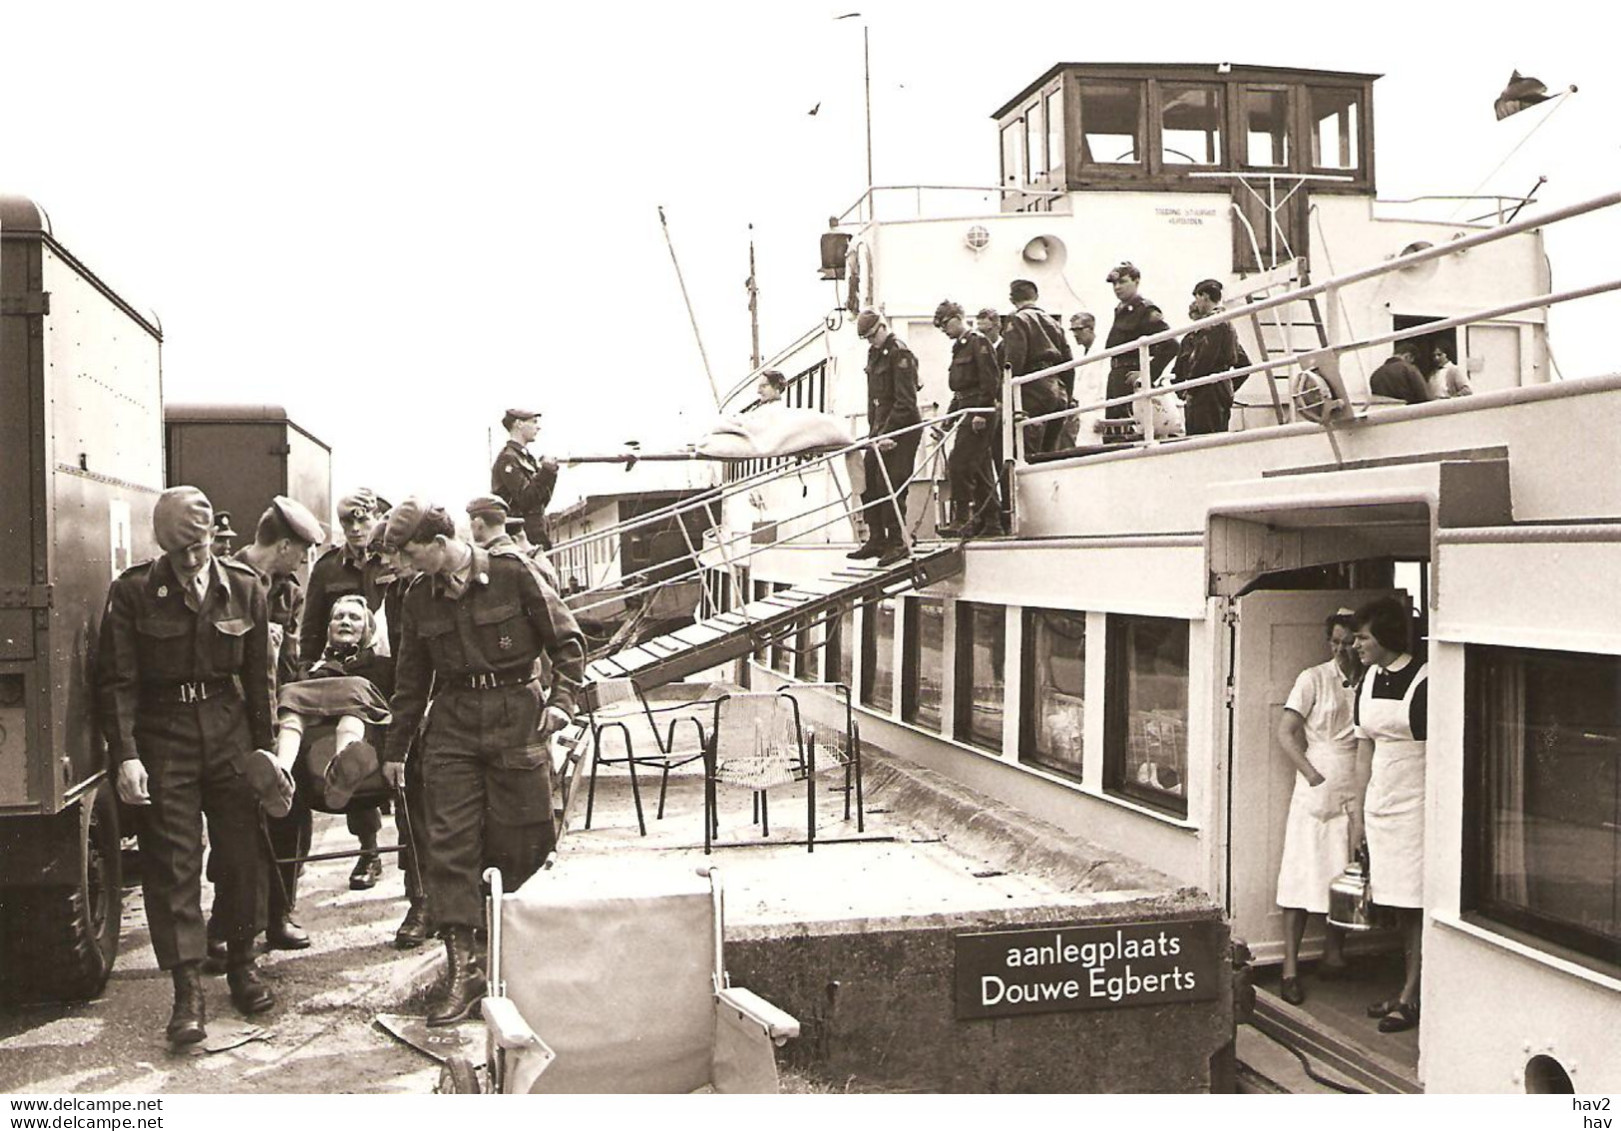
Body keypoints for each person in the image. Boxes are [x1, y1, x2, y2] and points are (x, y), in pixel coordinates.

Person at [380, 499, 586, 1025]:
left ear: (436, 541)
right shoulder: (417, 598)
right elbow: (409, 681)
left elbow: (567, 642)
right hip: (451, 722)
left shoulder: (514, 574)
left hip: (516, 714)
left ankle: (501, 941)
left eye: (407, 555)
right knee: (448, 842)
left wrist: (562, 702)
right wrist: (397, 749)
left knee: (529, 835)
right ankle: (465, 969)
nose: (402, 567)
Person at [96, 487, 277, 1044]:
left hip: (229, 734)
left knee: (242, 854)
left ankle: (244, 962)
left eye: (199, 548)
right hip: (164, 735)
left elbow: (259, 685)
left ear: (214, 540)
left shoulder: (245, 588)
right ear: (163, 549)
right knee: (173, 863)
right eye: (181, 553)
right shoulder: (132, 594)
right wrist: (126, 756)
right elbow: (117, 681)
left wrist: (266, 758)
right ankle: (187, 990)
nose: (193, 561)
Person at [207, 496, 324, 961]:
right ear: (283, 546)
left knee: (291, 810)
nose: (303, 561)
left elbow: (290, 664)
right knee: (235, 828)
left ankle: (278, 915)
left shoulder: (286, 591)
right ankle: (223, 923)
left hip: (278, 716)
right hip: (232, 725)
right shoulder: (222, 584)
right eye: (301, 551)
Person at [1273, 609, 1363, 1005]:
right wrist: (1311, 774)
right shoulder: (1312, 679)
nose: (1342, 650)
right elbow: (1286, 732)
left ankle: (1334, 953)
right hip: (1318, 782)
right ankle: (1290, 967)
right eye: (1336, 642)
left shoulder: (1370, 680)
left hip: (1355, 780)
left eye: (1349, 643)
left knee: (1343, 868)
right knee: (1303, 871)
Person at [303, 488, 389, 891]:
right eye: (348, 522)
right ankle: (369, 852)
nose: (356, 529)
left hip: (391, 674)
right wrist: (308, 671)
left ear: (375, 517)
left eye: (363, 519)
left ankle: (416, 876)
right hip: (345, 676)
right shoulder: (327, 569)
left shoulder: (391, 559)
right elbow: (312, 625)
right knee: (349, 759)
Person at [1350, 597, 1428, 1034]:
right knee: (1397, 905)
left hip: (1417, 805)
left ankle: (1410, 997)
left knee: (1415, 905)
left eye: (1362, 637)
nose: (1356, 645)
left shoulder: (1426, 678)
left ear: (1385, 637)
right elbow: (1364, 749)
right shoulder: (1368, 680)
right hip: (1381, 804)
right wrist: (1359, 814)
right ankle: (1407, 989)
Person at [848, 309, 922, 568]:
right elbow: (874, 400)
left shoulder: (900, 354)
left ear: (882, 327)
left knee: (889, 483)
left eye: (871, 336)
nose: (870, 342)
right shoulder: (875, 354)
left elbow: (906, 402)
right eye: (866, 339)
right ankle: (876, 538)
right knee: (868, 480)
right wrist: (873, 433)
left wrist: (889, 433)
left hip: (902, 428)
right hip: (881, 430)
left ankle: (898, 541)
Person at [934, 300, 1003, 538]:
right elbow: (960, 391)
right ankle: (992, 521)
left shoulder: (978, 342)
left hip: (977, 411)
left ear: (957, 317)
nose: (943, 330)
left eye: (944, 324)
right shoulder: (960, 347)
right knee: (980, 467)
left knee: (958, 463)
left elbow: (990, 380)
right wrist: (947, 422)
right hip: (966, 408)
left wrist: (981, 413)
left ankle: (963, 519)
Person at [1000, 279, 1073, 455]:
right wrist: (1068, 395)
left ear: (1012, 299)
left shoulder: (1017, 320)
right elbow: (1069, 363)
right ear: (1036, 296)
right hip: (1058, 389)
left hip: (1033, 390)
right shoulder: (1054, 323)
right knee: (1049, 450)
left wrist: (1005, 397)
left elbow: (1014, 360)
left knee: (1025, 450)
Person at [1103, 262, 1177, 421]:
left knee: (1131, 430)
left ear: (1136, 281)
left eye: (1122, 282)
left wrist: (1146, 374)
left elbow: (1171, 345)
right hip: (1116, 377)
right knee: (1115, 429)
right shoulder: (1121, 310)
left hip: (1131, 378)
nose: (1117, 287)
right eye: (1114, 283)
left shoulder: (1145, 310)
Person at [1171, 279, 1244, 436]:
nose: (1196, 303)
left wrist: (1190, 389)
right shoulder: (1222, 326)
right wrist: (1227, 387)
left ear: (1204, 296)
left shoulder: (1215, 325)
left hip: (1206, 392)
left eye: (1197, 298)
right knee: (1205, 439)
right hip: (1211, 390)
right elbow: (1243, 362)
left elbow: (1203, 362)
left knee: (1204, 440)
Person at [491, 408, 560, 550]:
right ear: (519, 424)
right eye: (533, 422)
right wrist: (546, 472)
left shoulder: (526, 458)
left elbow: (541, 500)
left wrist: (550, 473)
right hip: (521, 538)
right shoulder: (508, 458)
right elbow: (526, 500)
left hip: (534, 533)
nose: (538, 427)